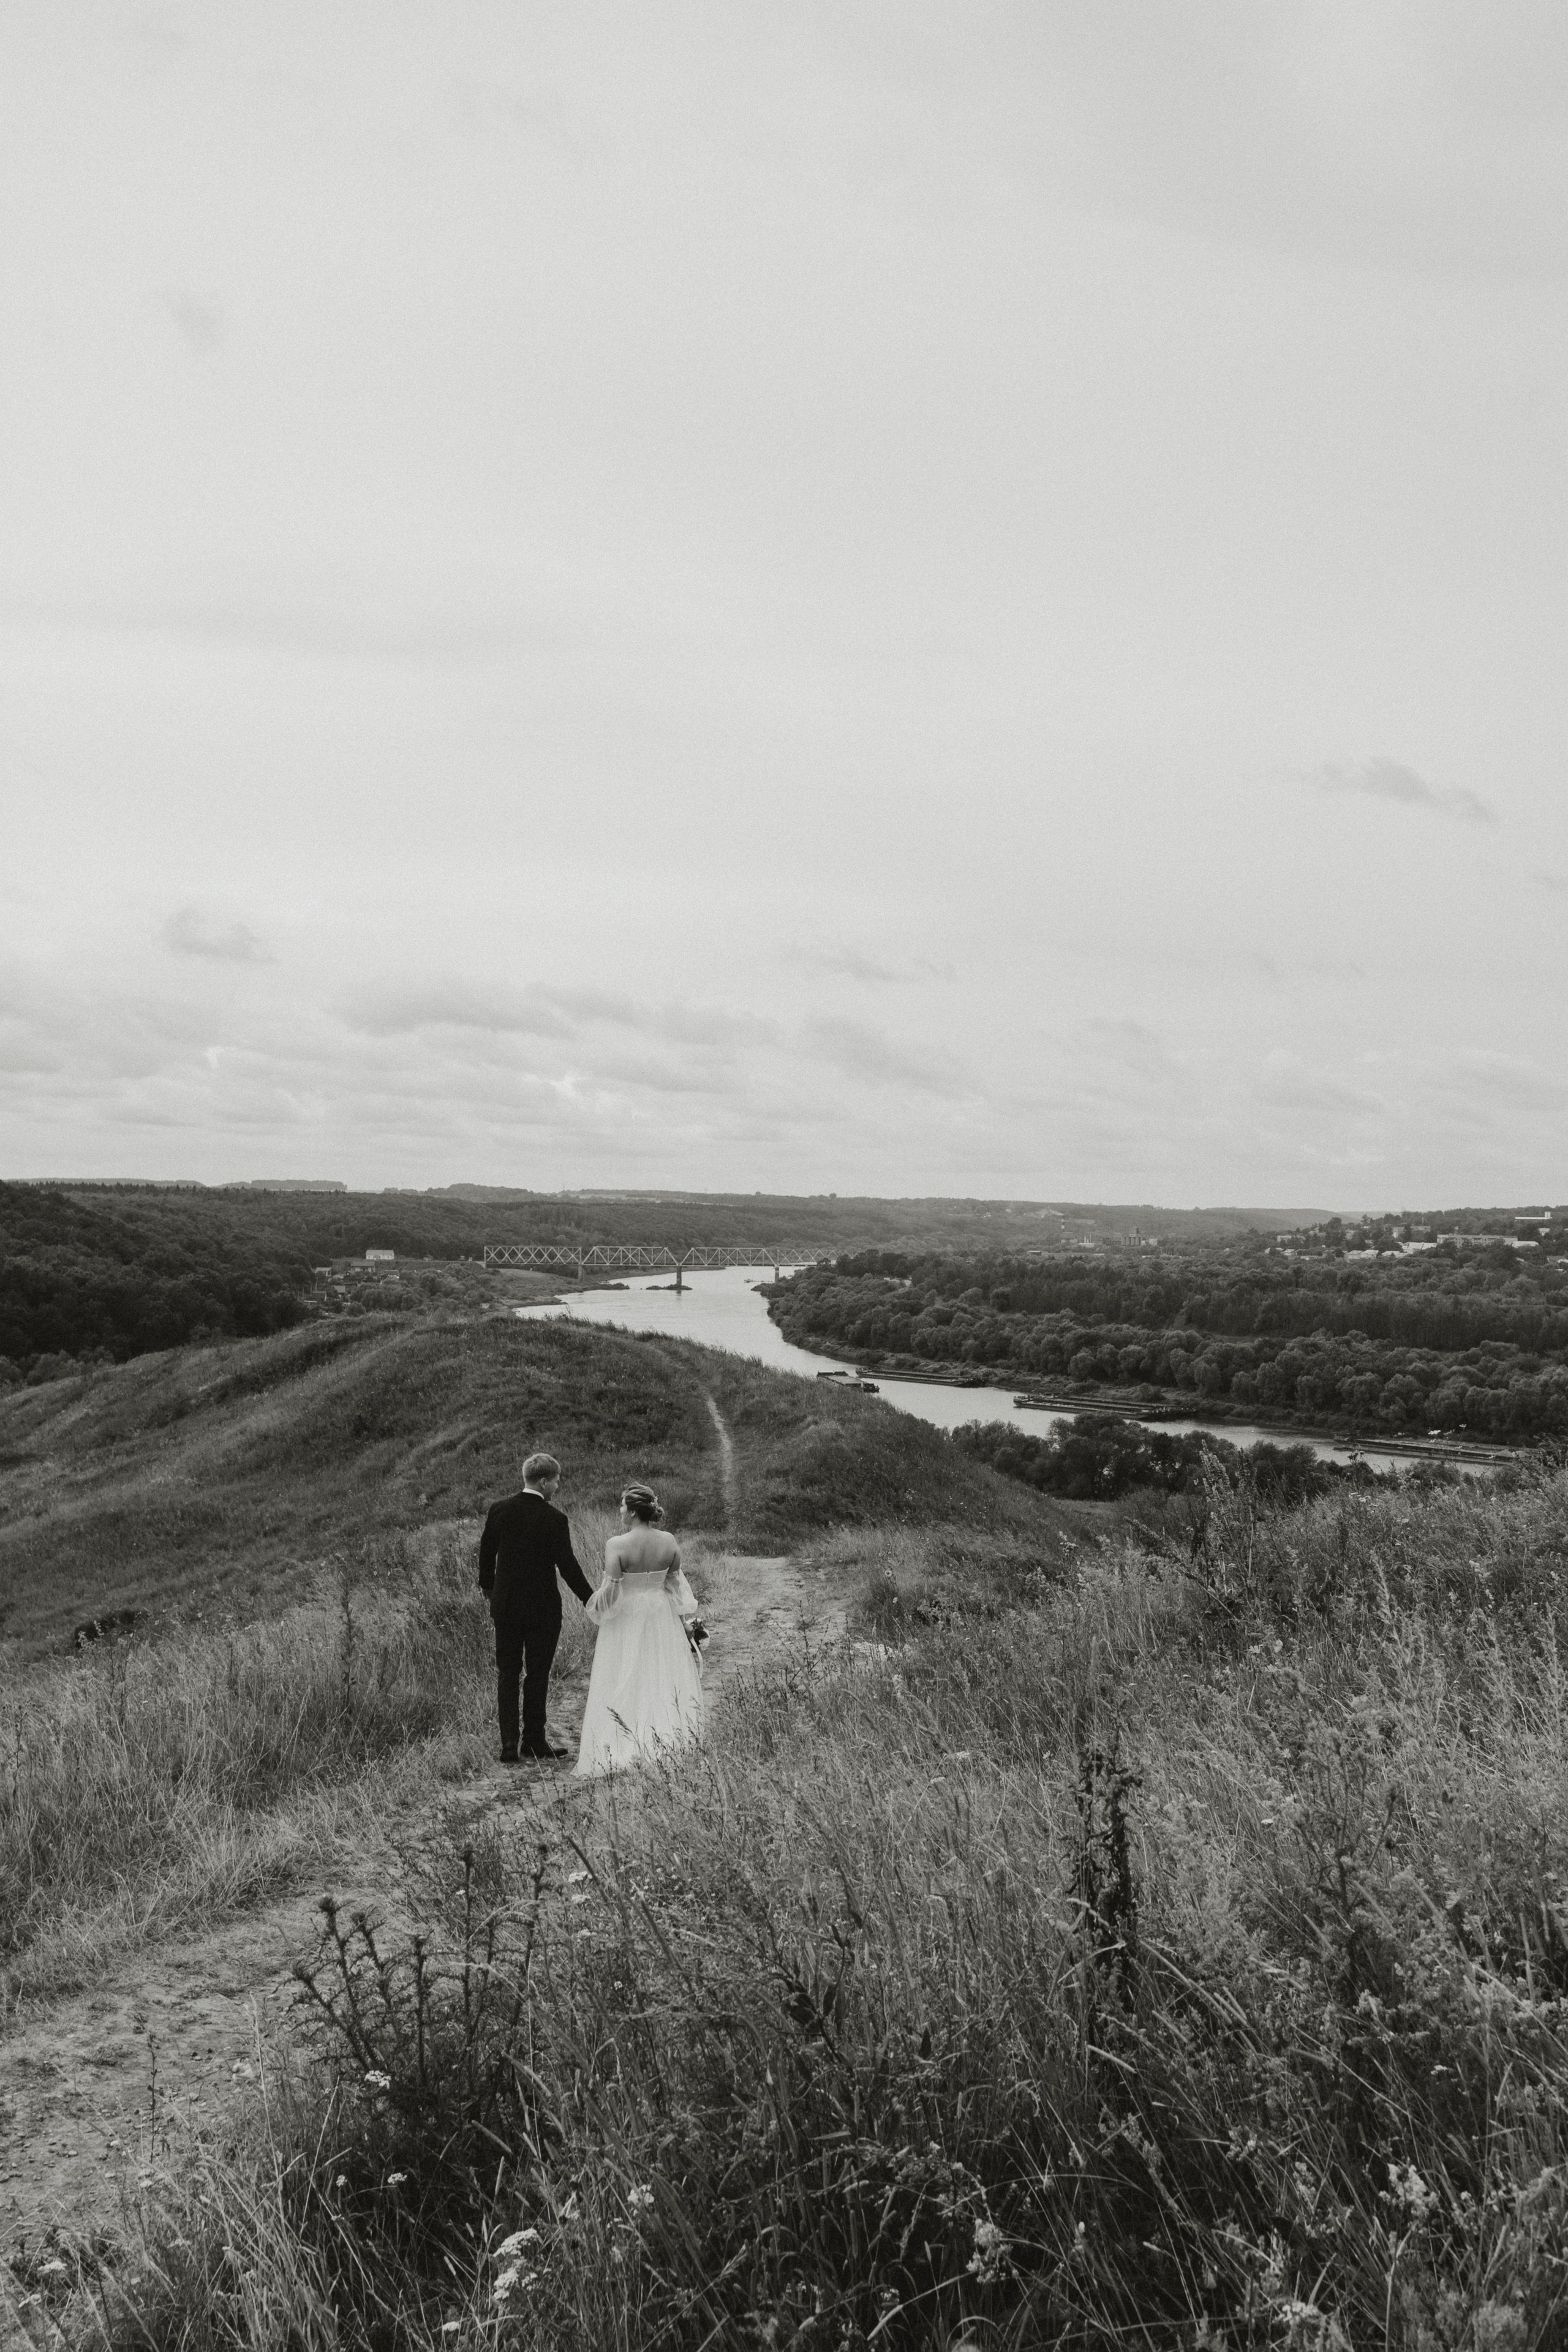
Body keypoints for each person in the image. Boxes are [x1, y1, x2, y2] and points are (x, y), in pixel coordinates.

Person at [576, 1482, 706, 1778]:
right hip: (660, 1614)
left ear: (633, 1511)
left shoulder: (617, 1544)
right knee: (660, 1672)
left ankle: (624, 1738)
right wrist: (684, 1621)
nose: (620, 1510)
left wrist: (594, 1607)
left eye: (622, 1505)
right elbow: (675, 1585)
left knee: (624, 1671)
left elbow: (611, 1593)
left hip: (629, 1617)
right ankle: (665, 1738)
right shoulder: (669, 1540)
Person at [478, 1451, 594, 1763]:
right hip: (543, 1610)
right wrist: (589, 1598)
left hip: (506, 1607)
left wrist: (489, 1590)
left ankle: (508, 1745)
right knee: (537, 1674)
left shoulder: (499, 1510)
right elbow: (567, 1565)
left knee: (508, 1673)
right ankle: (534, 1741)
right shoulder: (554, 1519)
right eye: (556, 1481)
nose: (557, 1486)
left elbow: (486, 1554)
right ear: (543, 1481)